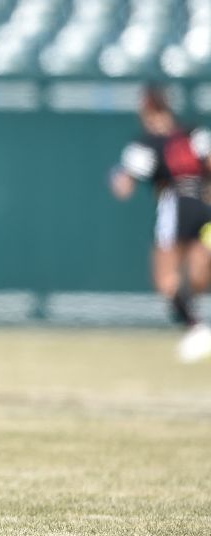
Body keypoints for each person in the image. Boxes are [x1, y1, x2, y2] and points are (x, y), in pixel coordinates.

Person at [110, 84, 211, 363]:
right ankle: (196, 327)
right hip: (205, 206)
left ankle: (197, 329)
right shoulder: (194, 133)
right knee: (197, 274)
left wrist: (115, 176)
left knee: (166, 279)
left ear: (147, 109)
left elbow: (124, 186)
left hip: (175, 204)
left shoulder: (145, 143)